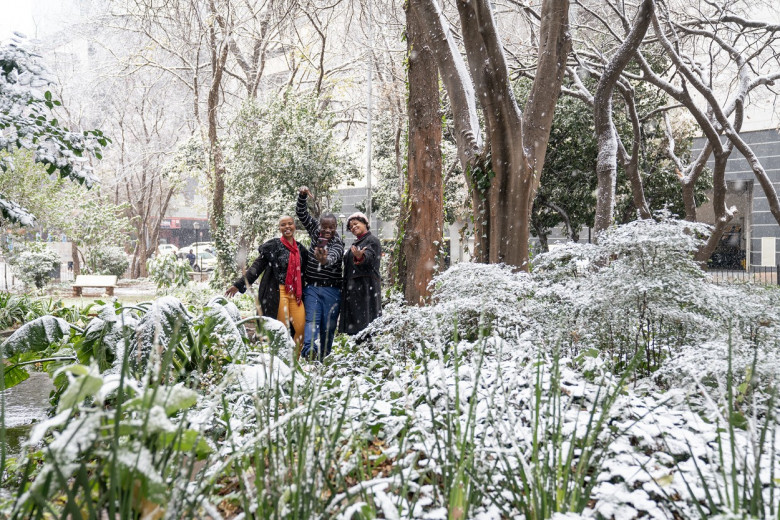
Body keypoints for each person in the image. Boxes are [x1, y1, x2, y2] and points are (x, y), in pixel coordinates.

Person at [225, 216, 309, 351]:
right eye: (283, 225)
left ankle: (294, 362)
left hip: (296, 294)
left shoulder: (301, 249)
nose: (287, 227)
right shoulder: (272, 247)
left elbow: (307, 272)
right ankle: (279, 360)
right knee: (281, 329)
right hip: (277, 292)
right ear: (279, 228)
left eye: (290, 224)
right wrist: (239, 285)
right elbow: (256, 267)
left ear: (294, 226)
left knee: (301, 328)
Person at [296, 186, 345, 360]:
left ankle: (325, 356)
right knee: (312, 320)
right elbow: (302, 214)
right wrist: (302, 196)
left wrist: (323, 260)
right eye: (324, 226)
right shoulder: (315, 232)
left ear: (335, 226)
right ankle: (309, 350)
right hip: (313, 288)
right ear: (320, 225)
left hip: (332, 290)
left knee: (328, 326)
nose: (327, 230)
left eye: (331, 227)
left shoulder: (338, 243)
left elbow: (332, 257)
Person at [339, 211, 382, 335]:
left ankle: (366, 350)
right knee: (356, 324)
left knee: (365, 323)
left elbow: (369, 256)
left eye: (356, 223)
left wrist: (360, 257)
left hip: (365, 289)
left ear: (365, 224)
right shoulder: (356, 243)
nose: (353, 227)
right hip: (354, 290)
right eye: (351, 226)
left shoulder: (372, 240)